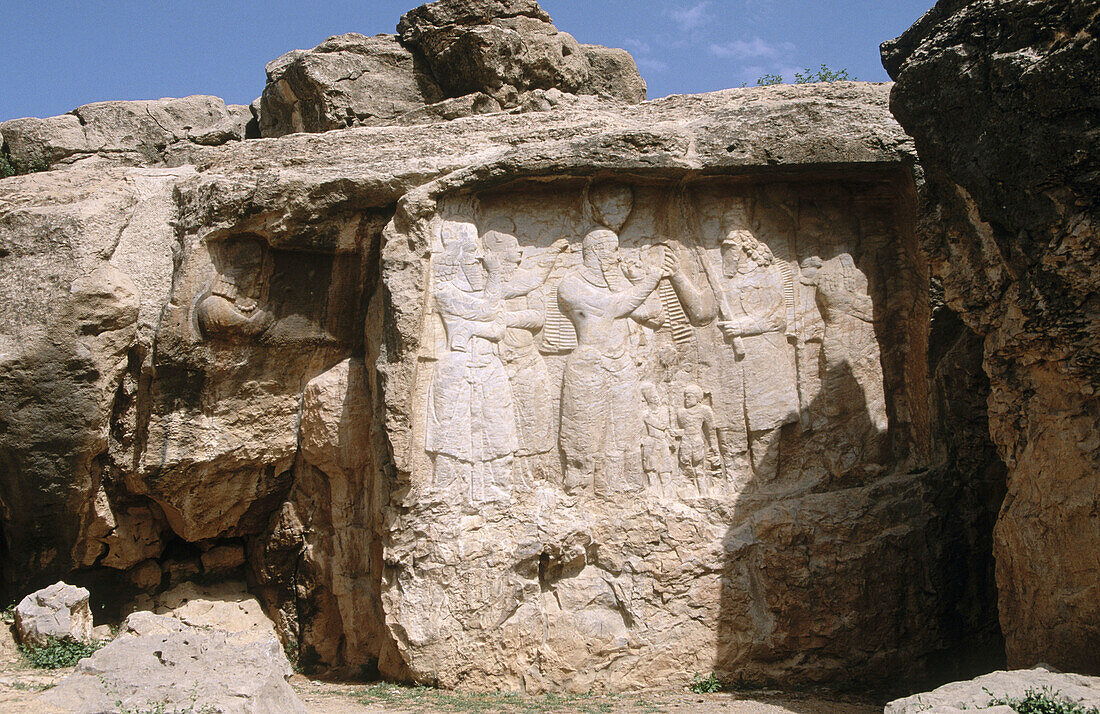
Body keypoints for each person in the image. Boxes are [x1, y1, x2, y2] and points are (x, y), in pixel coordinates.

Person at [557, 227, 667, 495]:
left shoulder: (617, 282)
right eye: (614, 249)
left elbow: (654, 317)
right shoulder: (571, 284)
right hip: (590, 364)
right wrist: (649, 281)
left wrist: (634, 280)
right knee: (585, 430)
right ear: (596, 250)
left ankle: (621, 485)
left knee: (625, 428)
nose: (619, 256)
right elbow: (611, 308)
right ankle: (581, 489)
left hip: (622, 363)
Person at [424, 218, 518, 503]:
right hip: (457, 367)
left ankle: (499, 489)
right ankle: (448, 494)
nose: (478, 259)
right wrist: (495, 274)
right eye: (470, 254)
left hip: (490, 365)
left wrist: (472, 328)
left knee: (499, 429)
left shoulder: (482, 292)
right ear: (455, 259)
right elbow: (490, 311)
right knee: (451, 432)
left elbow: (498, 326)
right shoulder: (445, 292)